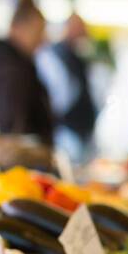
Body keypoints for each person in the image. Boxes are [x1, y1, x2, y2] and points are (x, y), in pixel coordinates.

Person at [0, 0, 53, 143]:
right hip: (23, 158)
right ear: (18, 28)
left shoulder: (15, 62)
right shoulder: (10, 68)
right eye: (37, 32)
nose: (42, 40)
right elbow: (10, 124)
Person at [38, 13, 100, 165]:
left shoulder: (77, 54)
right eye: (80, 27)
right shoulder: (55, 55)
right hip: (68, 129)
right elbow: (61, 95)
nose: (84, 32)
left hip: (81, 129)